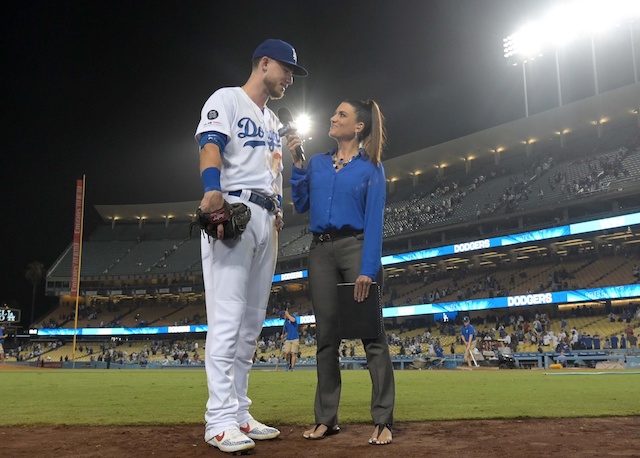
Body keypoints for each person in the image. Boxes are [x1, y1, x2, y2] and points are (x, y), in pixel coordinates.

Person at [194, 38, 307, 454]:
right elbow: (210, 144)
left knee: (251, 325)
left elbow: (274, 168)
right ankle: (218, 420)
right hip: (235, 208)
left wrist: (278, 206)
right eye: (287, 69)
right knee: (227, 321)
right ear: (264, 64)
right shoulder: (227, 99)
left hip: (267, 219)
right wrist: (211, 190)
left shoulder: (274, 120)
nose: (291, 78)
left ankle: (240, 412)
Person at [288, 99, 395, 445]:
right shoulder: (319, 163)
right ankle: (326, 419)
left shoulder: (372, 167)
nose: (333, 118)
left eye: (341, 115)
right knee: (326, 339)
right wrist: (298, 163)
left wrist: (368, 268)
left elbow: (375, 221)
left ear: (359, 126)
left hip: (356, 248)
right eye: (334, 114)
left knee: (372, 337)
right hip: (320, 251)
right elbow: (302, 204)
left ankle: (383, 420)